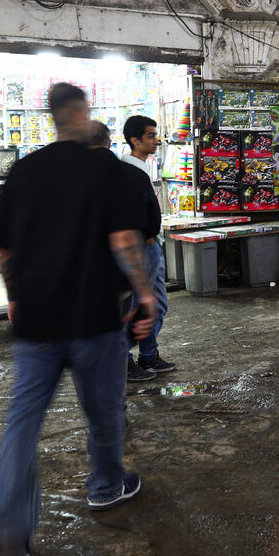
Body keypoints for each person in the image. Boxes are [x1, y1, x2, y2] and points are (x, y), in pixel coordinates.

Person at [0, 83, 156, 556]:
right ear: (82, 113)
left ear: (53, 116)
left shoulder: (25, 170)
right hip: (94, 319)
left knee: (22, 425)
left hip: (36, 321)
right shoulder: (107, 170)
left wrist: (14, 296)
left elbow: (4, 247)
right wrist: (145, 295)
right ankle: (105, 485)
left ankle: (12, 534)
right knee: (104, 412)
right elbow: (123, 240)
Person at [121, 115, 175, 381]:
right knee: (136, 307)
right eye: (151, 136)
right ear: (135, 140)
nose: (156, 140)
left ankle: (148, 354)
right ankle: (122, 359)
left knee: (157, 305)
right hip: (141, 247)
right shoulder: (127, 172)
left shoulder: (142, 169)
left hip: (151, 244)